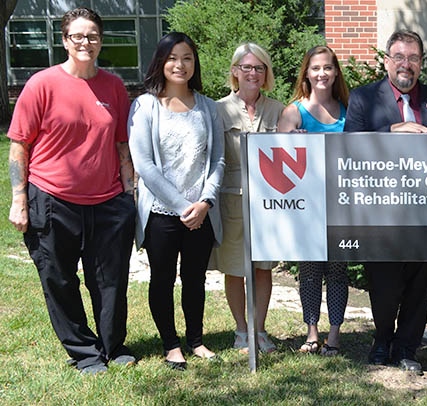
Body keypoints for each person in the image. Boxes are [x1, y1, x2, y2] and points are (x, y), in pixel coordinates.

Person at [7, 7, 137, 375]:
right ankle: (84, 352)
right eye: (78, 36)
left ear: (100, 41)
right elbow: (19, 146)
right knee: (59, 279)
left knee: (110, 279)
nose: (86, 42)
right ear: (65, 40)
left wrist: (130, 196)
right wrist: (19, 201)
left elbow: (121, 145)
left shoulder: (113, 86)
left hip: (109, 202)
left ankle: (113, 346)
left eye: (92, 36)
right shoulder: (41, 84)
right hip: (51, 199)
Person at [343, 29, 427, 374]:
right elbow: (350, 146)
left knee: (420, 284)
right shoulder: (364, 98)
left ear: (421, 63)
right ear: (386, 60)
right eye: (399, 57)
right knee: (383, 283)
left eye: (412, 58)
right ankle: (381, 341)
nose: (405, 64)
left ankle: (407, 347)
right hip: (380, 212)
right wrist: (395, 131)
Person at [128, 32, 224, 370]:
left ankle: (196, 340)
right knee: (163, 278)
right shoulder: (145, 105)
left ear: (194, 63)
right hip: (161, 213)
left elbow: (218, 161)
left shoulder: (208, 106)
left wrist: (205, 203)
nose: (179, 64)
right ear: (161, 61)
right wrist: (183, 206)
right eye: (172, 57)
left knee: (196, 278)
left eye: (187, 57)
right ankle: (171, 345)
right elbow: (144, 165)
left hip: (202, 212)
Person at [210, 43, 283, 353]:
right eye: (247, 67)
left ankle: (260, 330)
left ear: (266, 73)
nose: (253, 73)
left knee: (262, 267)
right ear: (235, 71)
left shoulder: (279, 110)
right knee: (234, 268)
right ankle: (241, 330)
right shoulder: (217, 109)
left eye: (259, 68)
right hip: (231, 199)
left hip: (268, 201)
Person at [278, 45, 350, 356]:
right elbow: (279, 156)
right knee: (308, 270)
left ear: (336, 73)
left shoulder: (349, 109)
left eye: (328, 68)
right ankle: (311, 333)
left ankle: (334, 335)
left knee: (337, 270)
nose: (322, 73)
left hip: (342, 205)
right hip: (307, 208)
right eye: (315, 68)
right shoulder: (293, 111)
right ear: (306, 72)